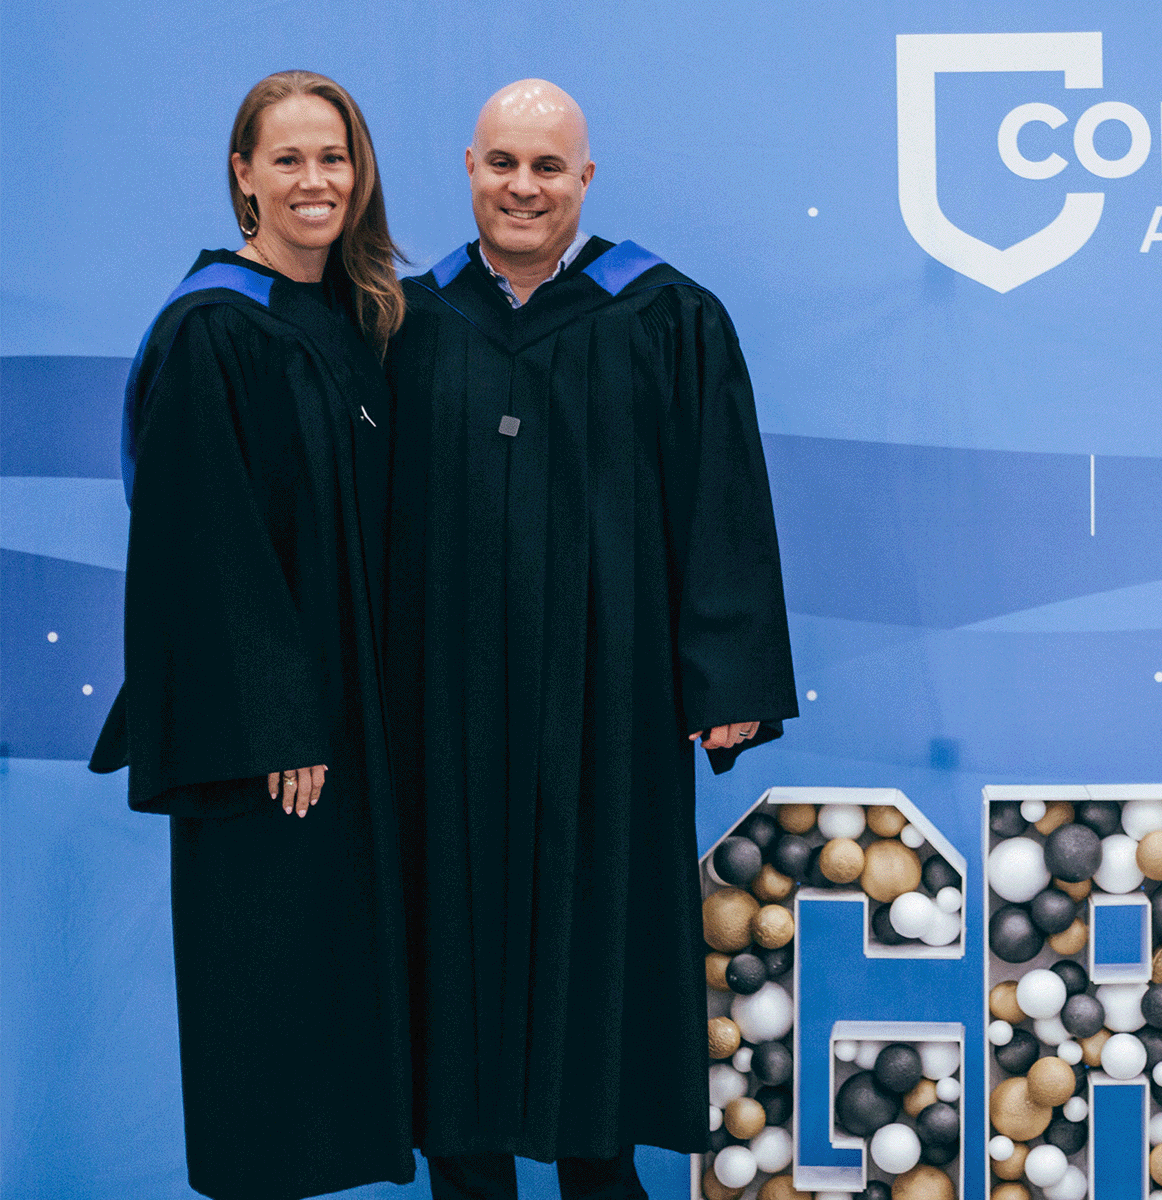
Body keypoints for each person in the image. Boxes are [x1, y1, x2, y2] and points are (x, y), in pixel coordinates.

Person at [384, 79, 797, 1199]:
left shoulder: (664, 315)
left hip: (606, 709)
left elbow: (721, 496)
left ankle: (600, 1174)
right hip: (446, 710)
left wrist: (727, 675)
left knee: (597, 951)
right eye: (503, 163)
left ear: (585, 178)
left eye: (548, 167)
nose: (524, 187)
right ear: (469, 166)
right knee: (454, 955)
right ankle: (467, 1176)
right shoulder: (409, 322)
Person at [88, 71, 415, 1198]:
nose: (316, 181)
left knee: (332, 1013)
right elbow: (204, 545)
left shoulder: (353, 318)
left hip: (350, 730)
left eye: (334, 158)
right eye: (289, 160)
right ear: (243, 176)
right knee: (266, 1019)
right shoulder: (215, 329)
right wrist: (282, 723)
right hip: (276, 749)